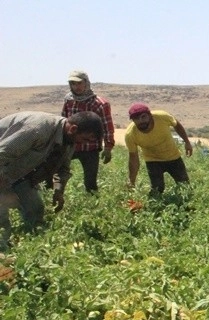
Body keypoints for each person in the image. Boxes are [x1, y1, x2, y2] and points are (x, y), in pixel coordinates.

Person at [0, 111, 103, 250]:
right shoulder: (37, 129)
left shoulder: (69, 140)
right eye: (86, 139)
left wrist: (58, 191)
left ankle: (34, 247)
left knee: (35, 210)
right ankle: (3, 249)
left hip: (18, 171)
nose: (85, 144)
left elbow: (64, 168)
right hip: (3, 162)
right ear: (73, 129)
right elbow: (3, 152)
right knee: (1, 214)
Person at [61, 70, 115, 193]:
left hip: (90, 148)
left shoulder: (100, 104)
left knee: (90, 183)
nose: (76, 87)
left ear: (86, 83)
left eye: (79, 83)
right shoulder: (69, 101)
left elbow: (107, 126)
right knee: (57, 174)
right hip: (70, 146)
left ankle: (94, 206)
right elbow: (63, 122)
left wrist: (108, 147)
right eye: (73, 84)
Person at [124, 103, 193, 194]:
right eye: (136, 119)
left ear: (150, 115)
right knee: (157, 189)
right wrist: (131, 181)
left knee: (185, 186)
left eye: (143, 117)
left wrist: (187, 142)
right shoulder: (130, 134)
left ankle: (189, 207)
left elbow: (176, 124)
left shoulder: (162, 117)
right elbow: (133, 159)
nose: (141, 121)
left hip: (173, 157)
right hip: (153, 161)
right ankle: (155, 207)